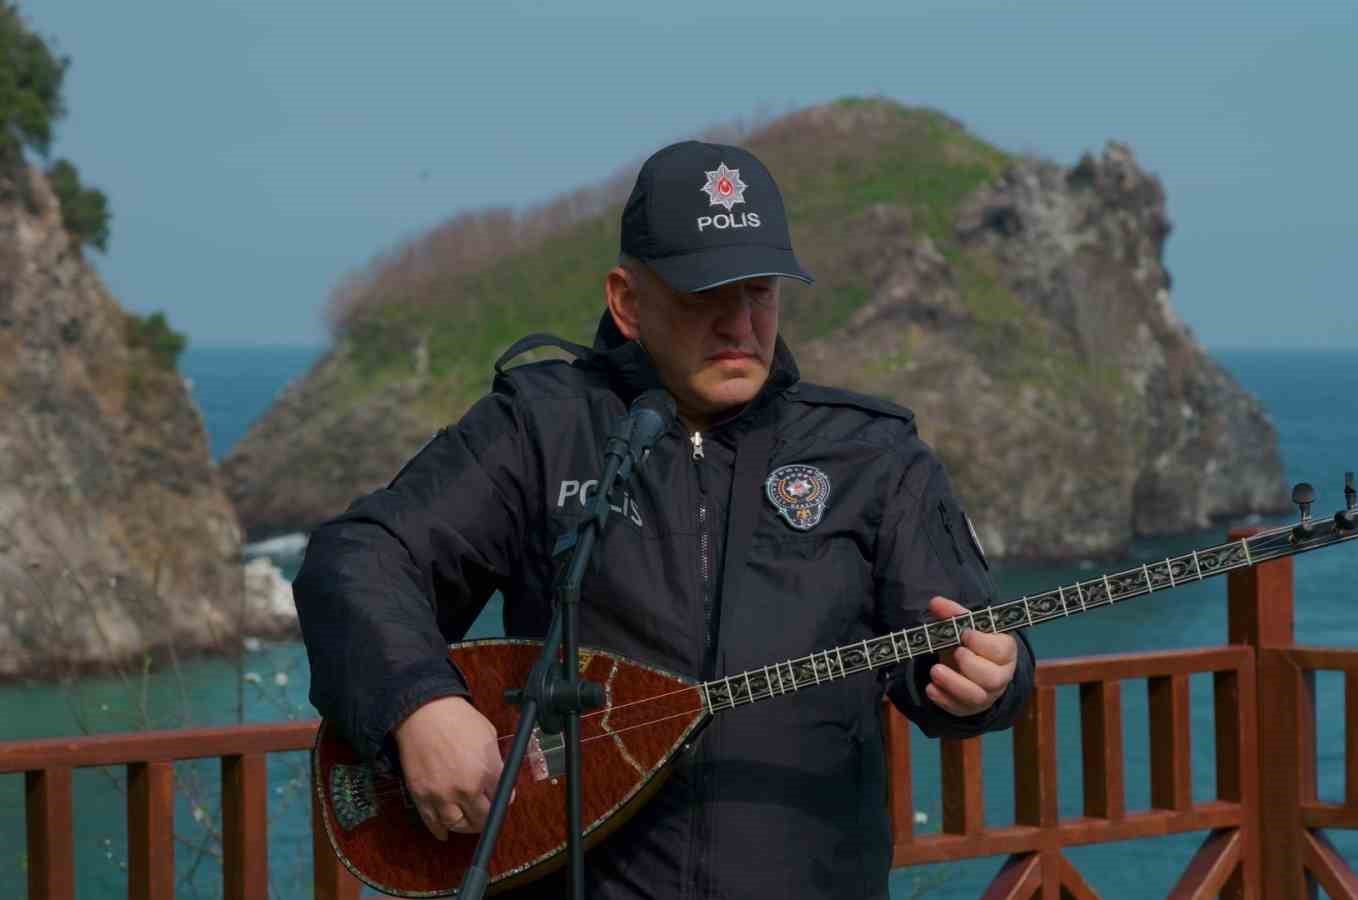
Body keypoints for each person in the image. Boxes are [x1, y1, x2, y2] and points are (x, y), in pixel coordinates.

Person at [293, 139, 1036, 899]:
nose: (739, 325)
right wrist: (419, 703)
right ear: (627, 301)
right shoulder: (541, 426)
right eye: (704, 295)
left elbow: (967, 654)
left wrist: (992, 678)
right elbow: (358, 558)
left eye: (759, 293)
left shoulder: (873, 453)